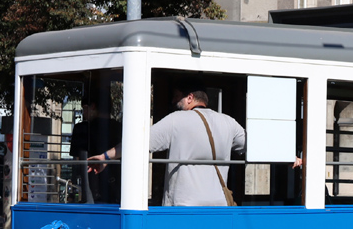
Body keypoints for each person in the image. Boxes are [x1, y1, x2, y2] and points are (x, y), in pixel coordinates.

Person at [90, 81, 245, 206]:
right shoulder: (229, 123)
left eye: (177, 97)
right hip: (220, 207)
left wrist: (105, 157)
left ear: (190, 98)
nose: (173, 101)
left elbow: (137, 143)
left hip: (183, 207)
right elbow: (251, 146)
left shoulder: (176, 119)